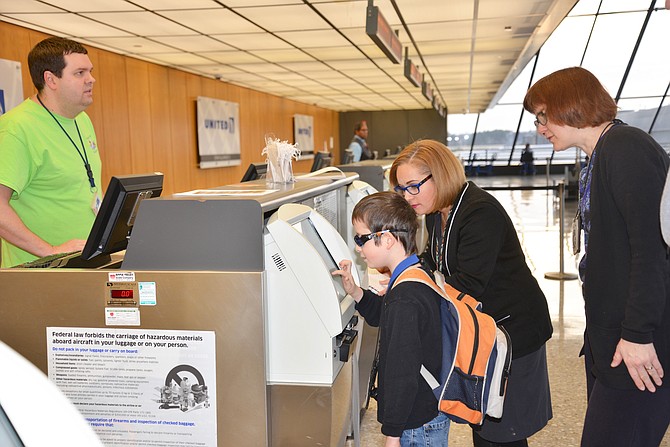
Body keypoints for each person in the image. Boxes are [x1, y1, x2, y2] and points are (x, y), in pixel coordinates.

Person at [524, 66, 670, 446]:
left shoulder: (626, 148)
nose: (539, 127)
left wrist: (637, 334)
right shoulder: (601, 156)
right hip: (613, 340)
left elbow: (651, 249)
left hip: (638, 346)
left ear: (568, 105)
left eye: (541, 115)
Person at [390, 139, 553, 447]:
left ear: (440, 175)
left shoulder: (479, 212)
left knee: (504, 432)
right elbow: (431, 259)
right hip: (486, 332)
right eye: (401, 188)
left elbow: (468, 283)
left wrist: (414, 288)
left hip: (514, 332)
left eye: (413, 186)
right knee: (486, 428)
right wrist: (402, 273)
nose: (407, 196)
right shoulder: (437, 210)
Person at [333, 191, 448, 447]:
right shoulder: (415, 272)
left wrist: (392, 435)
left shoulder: (405, 296)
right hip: (425, 409)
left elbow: (401, 370)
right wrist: (355, 291)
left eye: (361, 239)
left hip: (416, 423)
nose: (357, 247)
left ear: (385, 239)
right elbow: (383, 315)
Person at [0, 37, 101, 268]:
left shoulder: (81, 120)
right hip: (39, 274)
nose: (91, 79)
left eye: (90, 71)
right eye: (80, 73)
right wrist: (50, 251)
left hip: (83, 264)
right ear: (51, 79)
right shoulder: (17, 128)